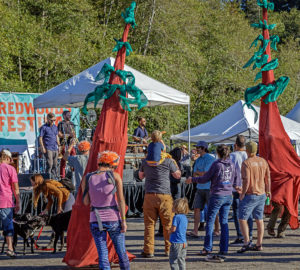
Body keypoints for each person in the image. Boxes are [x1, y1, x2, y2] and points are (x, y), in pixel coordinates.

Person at [186, 144, 241, 259]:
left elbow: (205, 178)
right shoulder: (231, 163)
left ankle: (207, 248)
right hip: (228, 195)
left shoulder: (216, 164)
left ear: (218, 153)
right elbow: (236, 178)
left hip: (217, 195)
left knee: (210, 221)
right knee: (224, 222)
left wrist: (193, 179)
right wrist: (237, 186)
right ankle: (224, 248)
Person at [81, 151, 130, 270]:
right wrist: (123, 220)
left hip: (95, 220)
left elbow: (86, 202)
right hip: (113, 218)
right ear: (112, 164)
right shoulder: (115, 176)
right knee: (121, 252)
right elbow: (121, 201)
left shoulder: (88, 178)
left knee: (102, 255)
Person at [139, 151, 181, 258]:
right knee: (168, 224)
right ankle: (169, 250)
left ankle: (148, 250)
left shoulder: (145, 161)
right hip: (164, 195)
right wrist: (175, 165)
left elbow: (140, 176)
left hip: (149, 195)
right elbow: (177, 176)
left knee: (149, 224)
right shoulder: (168, 161)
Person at [238, 141, 271, 253]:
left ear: (246, 150)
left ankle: (247, 242)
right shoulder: (263, 161)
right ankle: (259, 243)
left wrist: (242, 193)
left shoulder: (246, 163)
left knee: (242, 219)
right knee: (259, 219)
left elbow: (246, 180)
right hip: (261, 193)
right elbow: (268, 178)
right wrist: (268, 191)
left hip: (250, 194)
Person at [187, 141, 216, 238]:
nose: (196, 149)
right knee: (196, 209)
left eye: (198, 147)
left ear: (203, 148)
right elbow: (195, 173)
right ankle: (195, 231)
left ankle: (217, 229)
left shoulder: (210, 159)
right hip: (200, 187)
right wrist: (200, 173)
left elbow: (206, 174)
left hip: (209, 188)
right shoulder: (198, 159)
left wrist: (199, 173)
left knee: (213, 210)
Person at [230, 135, 253, 245]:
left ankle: (241, 235)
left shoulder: (232, 155)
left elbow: (231, 172)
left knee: (237, 212)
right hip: (248, 187)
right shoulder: (249, 155)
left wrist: (233, 186)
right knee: (248, 212)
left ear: (236, 144)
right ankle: (250, 235)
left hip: (237, 187)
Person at [0, 150, 20, 258]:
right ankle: (10, 249)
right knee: (8, 226)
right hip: (5, 201)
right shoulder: (10, 169)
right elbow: (15, 188)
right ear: (7, 158)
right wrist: (18, 202)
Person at [169, 198, 189, 270]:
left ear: (177, 207)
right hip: (184, 242)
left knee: (173, 260)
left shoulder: (176, 217)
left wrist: (169, 231)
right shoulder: (185, 217)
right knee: (181, 259)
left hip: (176, 242)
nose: (172, 207)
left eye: (173, 205)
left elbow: (174, 229)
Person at [39, 112, 60, 179]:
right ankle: (47, 178)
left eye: (54, 120)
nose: (53, 122)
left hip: (55, 147)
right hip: (48, 147)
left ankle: (54, 178)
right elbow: (40, 138)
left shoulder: (55, 127)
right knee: (50, 164)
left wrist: (59, 145)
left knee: (55, 164)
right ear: (47, 119)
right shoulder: (44, 127)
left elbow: (57, 136)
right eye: (51, 120)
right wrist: (42, 147)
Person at [58, 110, 76, 178]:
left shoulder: (72, 124)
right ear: (64, 116)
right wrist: (68, 135)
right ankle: (62, 177)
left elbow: (74, 134)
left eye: (70, 115)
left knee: (74, 158)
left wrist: (73, 135)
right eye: (68, 115)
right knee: (63, 161)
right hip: (63, 144)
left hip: (71, 144)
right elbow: (59, 134)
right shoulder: (61, 124)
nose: (70, 116)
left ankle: (74, 175)